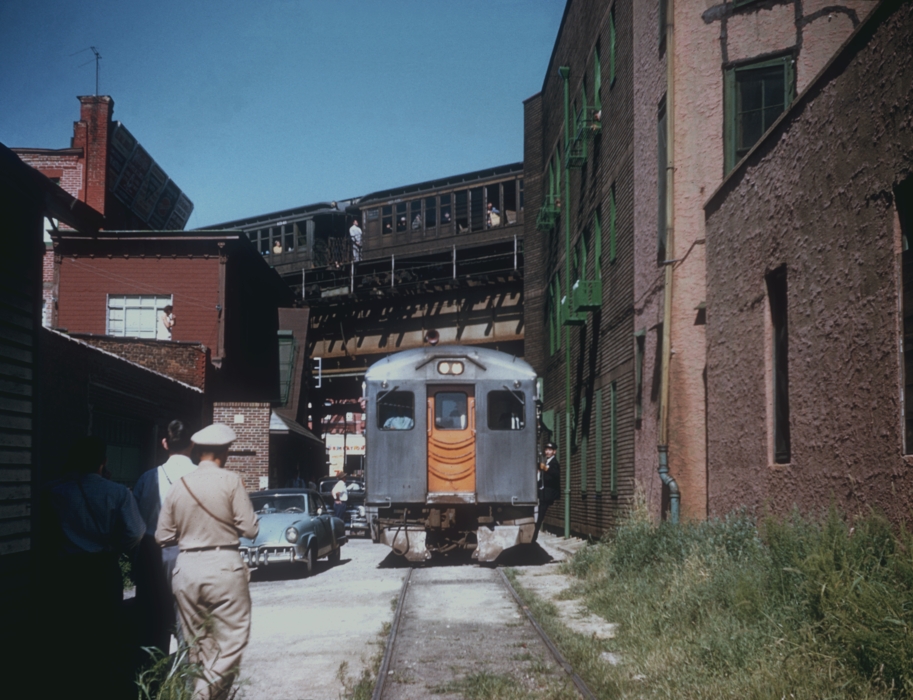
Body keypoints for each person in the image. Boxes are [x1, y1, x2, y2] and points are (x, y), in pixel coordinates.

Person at [156, 424, 259, 700]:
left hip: (186, 569)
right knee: (232, 641)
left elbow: (162, 536)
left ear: (198, 450)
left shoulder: (179, 485)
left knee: (198, 647)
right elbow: (250, 530)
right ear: (224, 451)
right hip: (224, 566)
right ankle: (201, 696)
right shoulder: (231, 481)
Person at [43, 436, 145, 698]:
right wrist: (118, 545)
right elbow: (135, 532)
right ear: (104, 461)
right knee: (106, 630)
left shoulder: (56, 491)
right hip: (103, 567)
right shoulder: (117, 492)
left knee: (72, 631)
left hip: (68, 570)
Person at [132, 420, 196, 655]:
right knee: (188, 619)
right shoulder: (201, 478)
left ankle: (154, 677)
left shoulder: (147, 479)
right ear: (192, 443)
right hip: (190, 552)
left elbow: (135, 523)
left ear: (164, 443)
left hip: (152, 554)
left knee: (152, 620)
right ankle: (187, 680)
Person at [533, 441, 561, 544]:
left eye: (550, 450)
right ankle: (533, 536)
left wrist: (545, 469)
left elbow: (555, 475)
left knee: (540, 515)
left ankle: (534, 536)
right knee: (539, 514)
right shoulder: (547, 461)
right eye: (546, 450)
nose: (547, 452)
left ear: (554, 452)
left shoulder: (554, 463)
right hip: (543, 493)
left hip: (548, 494)